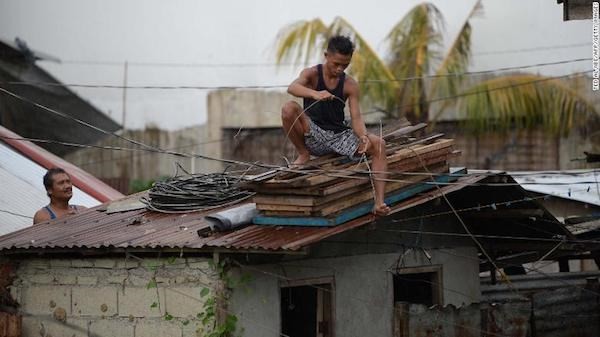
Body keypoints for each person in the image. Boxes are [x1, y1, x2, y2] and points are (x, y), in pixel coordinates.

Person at [281, 35, 390, 216]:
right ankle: (303, 153)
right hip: (313, 133)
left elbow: (356, 118)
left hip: (339, 135)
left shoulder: (350, 84)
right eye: (336, 64)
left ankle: (379, 203)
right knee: (288, 108)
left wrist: (363, 136)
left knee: (379, 144)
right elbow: (292, 88)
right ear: (326, 56)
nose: (340, 69)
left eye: (345, 65)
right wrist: (315, 94)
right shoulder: (311, 74)